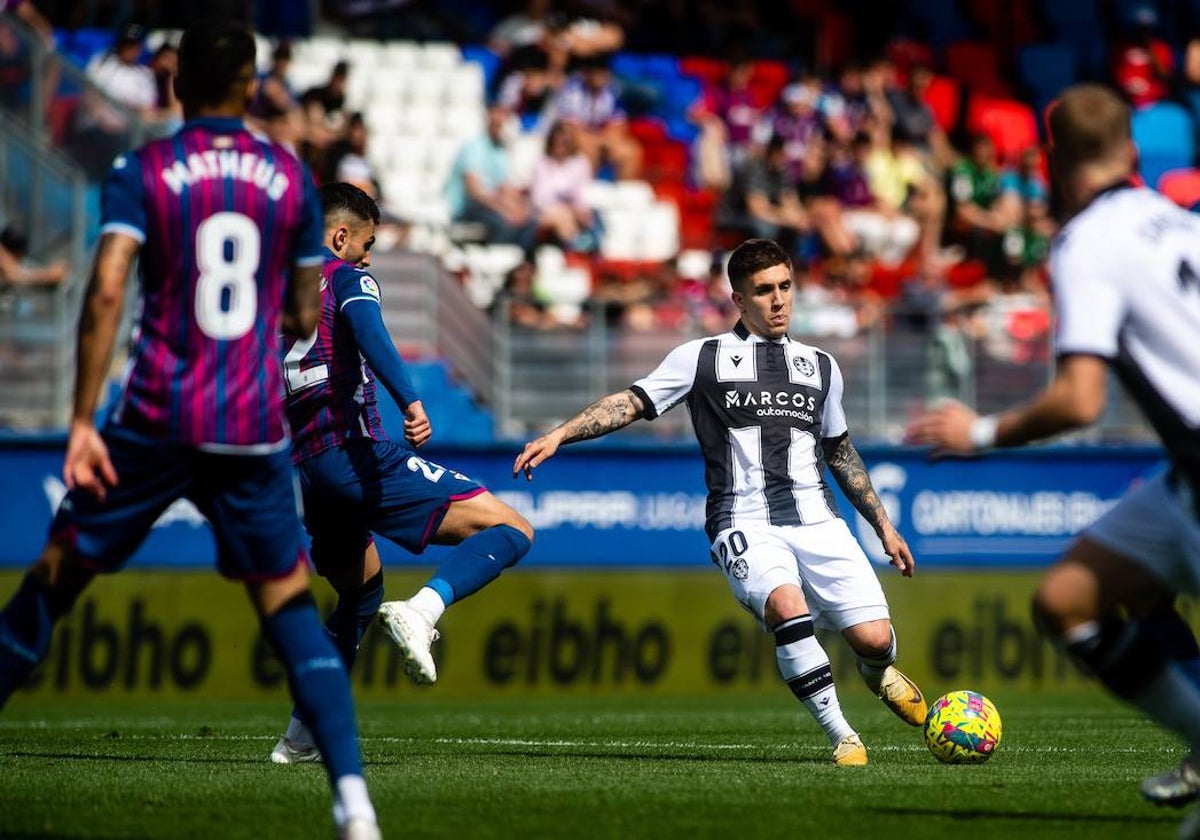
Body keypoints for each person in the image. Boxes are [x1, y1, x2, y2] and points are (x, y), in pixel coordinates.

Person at [0, 22, 379, 840]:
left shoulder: (146, 169)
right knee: (289, 609)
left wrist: (77, 420)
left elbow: (105, 290)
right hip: (248, 424)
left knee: (54, 584)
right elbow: (305, 312)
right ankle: (353, 801)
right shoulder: (287, 178)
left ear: (177, 87)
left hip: (158, 416)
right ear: (249, 88)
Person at [906, 84, 1200, 833]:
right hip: (1183, 477)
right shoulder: (1183, 224)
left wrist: (977, 435)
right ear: (1132, 153)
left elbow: (1078, 400)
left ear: (1049, 164)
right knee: (1069, 597)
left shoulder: (1084, 243)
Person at [514, 237, 927, 765]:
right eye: (763, 291)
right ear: (738, 299)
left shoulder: (822, 366)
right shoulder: (701, 358)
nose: (778, 300)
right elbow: (630, 403)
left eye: (784, 287)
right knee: (785, 605)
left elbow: (840, 452)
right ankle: (843, 735)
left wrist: (884, 527)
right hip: (743, 519)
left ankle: (876, 672)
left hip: (818, 518)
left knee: (873, 638)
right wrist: (559, 434)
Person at [270, 182, 534, 763]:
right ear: (342, 237)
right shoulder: (345, 278)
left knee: (359, 596)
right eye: (365, 244)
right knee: (512, 528)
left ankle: (300, 735)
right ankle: (424, 610)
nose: (368, 258)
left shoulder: (277, 291)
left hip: (309, 472)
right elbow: (370, 332)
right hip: (357, 454)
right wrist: (411, 400)